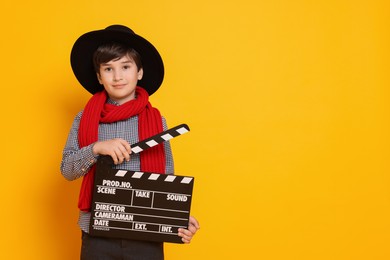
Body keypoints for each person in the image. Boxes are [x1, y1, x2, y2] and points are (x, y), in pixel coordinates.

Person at [61, 24, 199, 260]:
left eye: (125, 67)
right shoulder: (85, 119)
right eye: (108, 69)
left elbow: (166, 178)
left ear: (139, 72)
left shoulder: (157, 121)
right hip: (97, 233)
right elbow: (67, 170)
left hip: (145, 233)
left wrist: (177, 216)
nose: (117, 76)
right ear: (99, 76)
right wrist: (96, 148)